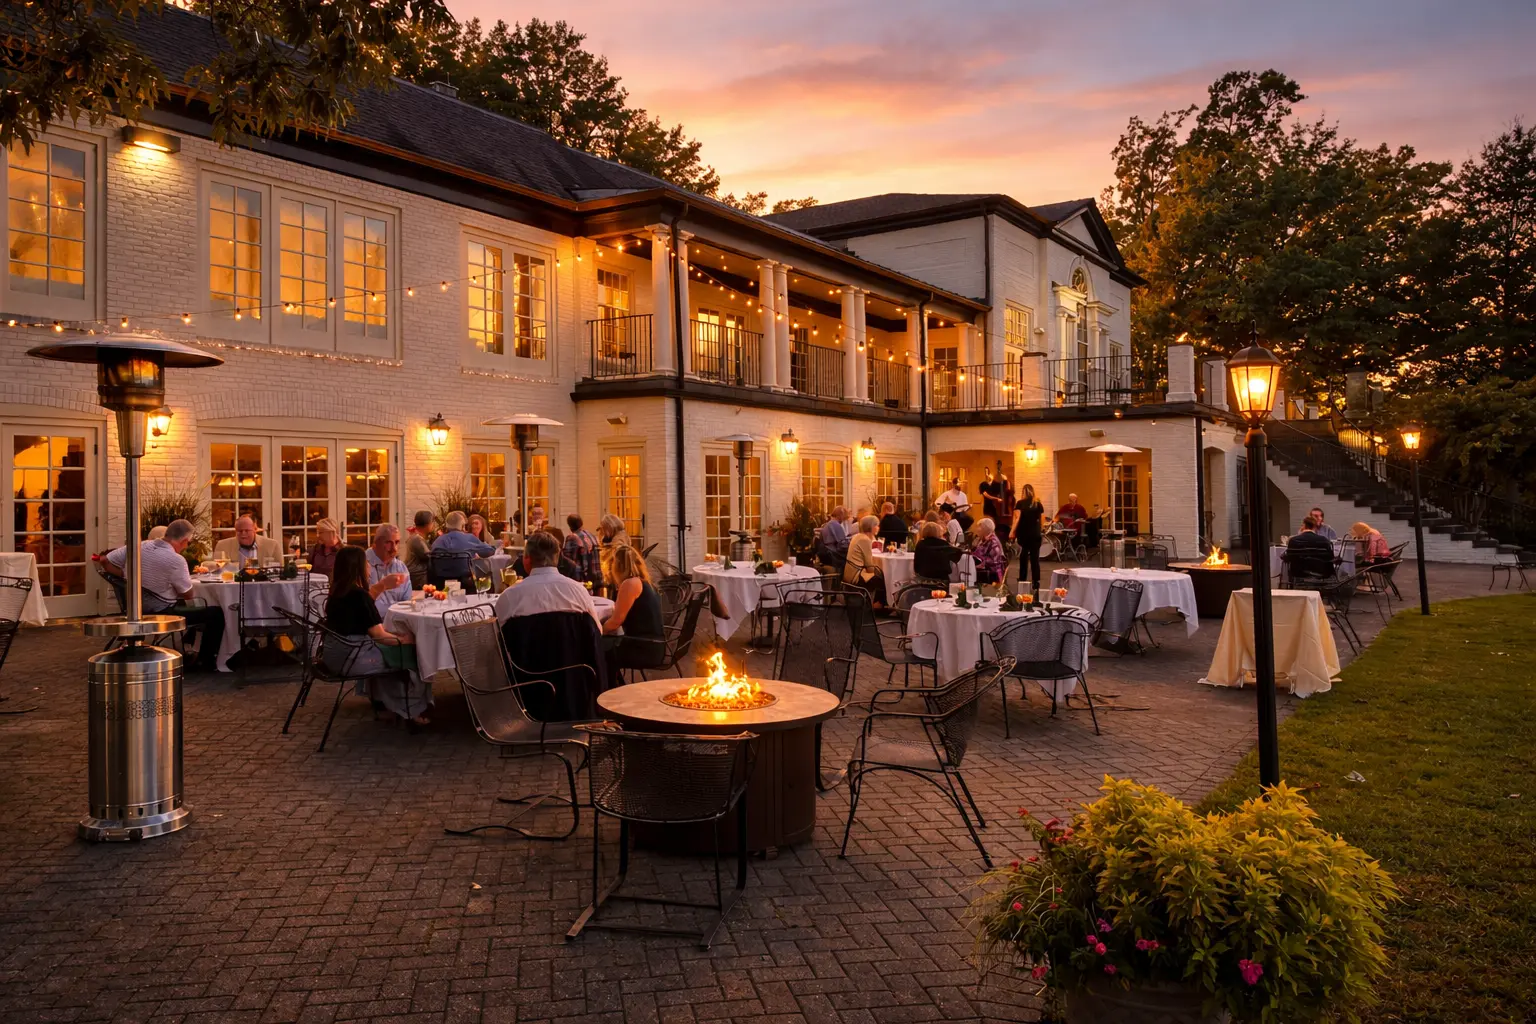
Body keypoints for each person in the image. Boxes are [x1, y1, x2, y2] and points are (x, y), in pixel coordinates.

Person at [322, 545, 426, 725]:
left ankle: (384, 706)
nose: (369, 567)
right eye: (367, 564)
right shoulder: (359, 595)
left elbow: (362, 622)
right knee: (414, 656)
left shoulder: (336, 593)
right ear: (358, 567)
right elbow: (380, 636)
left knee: (392, 651)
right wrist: (406, 640)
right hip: (353, 658)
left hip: (332, 655)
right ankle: (414, 709)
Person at [103, 519, 224, 672]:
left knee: (200, 610)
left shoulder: (139, 546)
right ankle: (204, 661)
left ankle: (189, 646)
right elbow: (188, 595)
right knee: (215, 613)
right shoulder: (176, 560)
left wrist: (126, 576)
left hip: (135, 609)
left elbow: (105, 561)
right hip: (162, 611)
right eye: (188, 543)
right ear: (184, 541)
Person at [495, 529, 603, 629]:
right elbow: (597, 631)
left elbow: (496, 637)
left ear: (527, 559)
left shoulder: (510, 596)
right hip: (571, 649)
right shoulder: (579, 592)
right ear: (557, 558)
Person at [601, 543, 666, 676]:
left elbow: (615, 622)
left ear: (617, 566)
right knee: (603, 645)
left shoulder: (630, 584)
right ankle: (612, 686)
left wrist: (597, 630)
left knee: (596, 648)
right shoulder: (645, 582)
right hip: (655, 646)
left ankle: (605, 690)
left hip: (642, 649)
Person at [429, 510, 494, 586]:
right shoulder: (469, 538)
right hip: (466, 582)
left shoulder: (437, 541)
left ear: (446, 526)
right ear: (463, 526)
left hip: (439, 583)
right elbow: (490, 550)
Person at [365, 524, 412, 615]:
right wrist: (383, 585)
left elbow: (407, 602)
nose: (394, 548)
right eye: (388, 543)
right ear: (375, 544)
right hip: (370, 623)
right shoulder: (363, 565)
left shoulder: (400, 567)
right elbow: (358, 605)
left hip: (397, 621)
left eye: (397, 542)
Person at [842, 514, 885, 609]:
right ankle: (878, 605)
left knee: (879, 575)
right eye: (876, 525)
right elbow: (870, 568)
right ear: (871, 527)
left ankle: (877, 604)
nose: (878, 527)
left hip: (850, 573)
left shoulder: (858, 536)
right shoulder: (865, 540)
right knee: (882, 578)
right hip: (856, 576)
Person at [1011, 483, 1045, 592]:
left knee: (1023, 558)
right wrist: (1040, 530)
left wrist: (1012, 532)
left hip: (1024, 534)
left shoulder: (1020, 504)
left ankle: (1023, 580)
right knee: (1035, 559)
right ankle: (1036, 582)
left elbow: (1017, 519)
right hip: (1035, 534)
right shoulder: (1038, 504)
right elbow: (1042, 520)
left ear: (1023, 492)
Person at [212, 516, 283, 565]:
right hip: (234, 585)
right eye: (240, 531)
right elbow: (215, 569)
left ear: (254, 530)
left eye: (247, 530)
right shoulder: (222, 545)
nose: (243, 534)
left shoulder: (272, 545)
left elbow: (280, 570)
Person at [563, 514, 603, 587]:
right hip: (596, 578)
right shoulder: (592, 536)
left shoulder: (572, 538)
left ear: (570, 525)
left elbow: (566, 560)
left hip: (582, 579)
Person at [403, 510, 435, 589]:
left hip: (416, 575)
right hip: (417, 576)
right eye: (432, 522)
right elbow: (428, 555)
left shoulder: (416, 537)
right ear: (427, 524)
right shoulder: (417, 539)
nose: (433, 525)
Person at [972, 517, 1007, 586]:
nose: (977, 529)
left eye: (979, 527)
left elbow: (995, 561)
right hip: (984, 571)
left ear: (985, 529)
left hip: (993, 574)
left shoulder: (993, 541)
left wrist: (981, 562)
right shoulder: (982, 539)